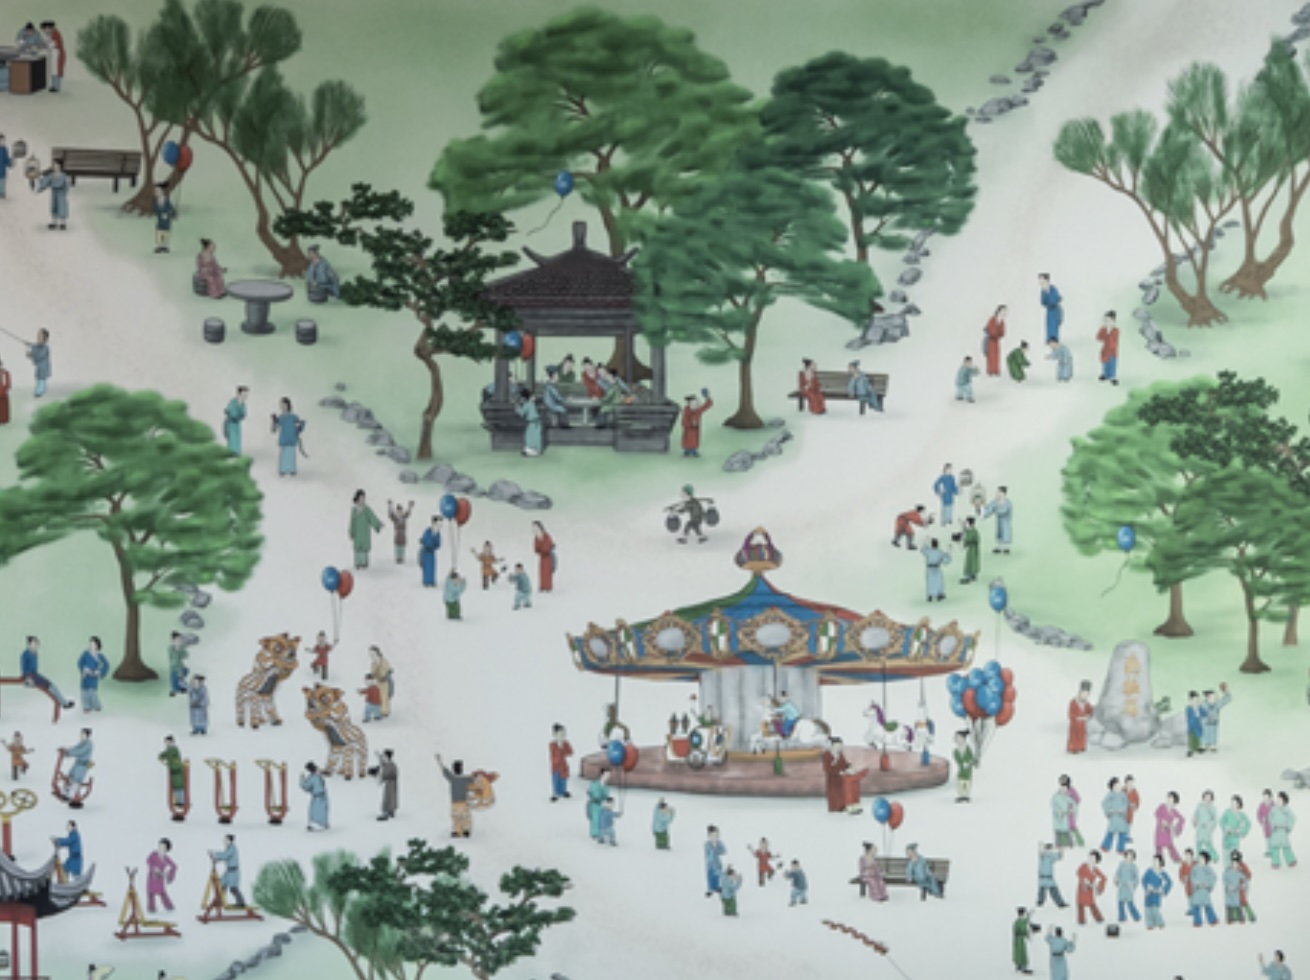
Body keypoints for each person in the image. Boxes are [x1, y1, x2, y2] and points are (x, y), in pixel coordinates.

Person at [20, 636, 74, 709]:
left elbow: (34, 669)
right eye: (33, 644)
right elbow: (24, 669)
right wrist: (28, 679)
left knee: (52, 686)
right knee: (50, 686)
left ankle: (63, 702)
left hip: (35, 675)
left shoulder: (35, 654)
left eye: (36, 644)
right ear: (29, 645)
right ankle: (64, 703)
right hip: (30, 676)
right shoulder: (25, 654)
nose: (35, 646)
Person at [821, 738, 866, 815]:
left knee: (843, 792)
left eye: (840, 746)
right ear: (832, 746)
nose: (839, 748)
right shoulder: (827, 755)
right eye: (838, 746)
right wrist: (839, 771)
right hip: (833, 779)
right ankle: (835, 808)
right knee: (835, 794)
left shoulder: (840, 754)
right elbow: (827, 768)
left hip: (841, 778)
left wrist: (850, 767)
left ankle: (844, 806)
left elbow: (844, 764)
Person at [437, 754, 474, 837]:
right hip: (463, 802)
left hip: (454, 802)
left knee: (455, 817)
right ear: (462, 769)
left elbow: (445, 772)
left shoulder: (452, 778)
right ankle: (466, 830)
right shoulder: (465, 779)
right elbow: (474, 780)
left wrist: (440, 762)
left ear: (453, 769)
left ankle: (457, 831)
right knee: (465, 817)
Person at [349, 490, 384, 571]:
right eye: (361, 498)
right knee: (357, 548)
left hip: (364, 533)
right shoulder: (354, 510)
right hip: (357, 533)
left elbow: (372, 518)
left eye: (364, 498)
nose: (363, 500)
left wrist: (378, 524)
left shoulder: (367, 510)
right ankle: (358, 563)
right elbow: (352, 522)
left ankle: (364, 563)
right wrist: (351, 532)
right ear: (357, 499)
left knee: (364, 548)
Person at [208, 834, 245, 907]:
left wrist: (215, 854)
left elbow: (225, 855)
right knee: (221, 885)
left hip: (233, 872)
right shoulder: (228, 848)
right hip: (228, 871)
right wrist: (215, 857)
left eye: (226, 840)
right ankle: (220, 901)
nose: (224, 841)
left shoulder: (232, 848)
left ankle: (241, 902)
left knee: (233, 888)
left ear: (230, 840)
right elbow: (223, 856)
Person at [34, 160, 70, 230]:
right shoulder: (51, 175)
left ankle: (63, 223)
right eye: (55, 166)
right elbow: (45, 182)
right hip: (54, 192)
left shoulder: (63, 176)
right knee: (54, 206)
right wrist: (39, 182)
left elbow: (66, 185)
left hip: (61, 192)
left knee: (62, 206)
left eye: (57, 166)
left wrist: (65, 192)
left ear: (60, 167)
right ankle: (54, 222)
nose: (56, 167)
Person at [271, 398, 304, 476]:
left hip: (292, 438)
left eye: (284, 405)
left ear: (288, 406)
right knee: (283, 455)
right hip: (284, 438)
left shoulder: (294, 417)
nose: (283, 407)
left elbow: (299, 425)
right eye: (281, 405)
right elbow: (274, 429)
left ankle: (292, 470)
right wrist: (274, 421)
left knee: (291, 455)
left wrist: (300, 426)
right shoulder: (280, 417)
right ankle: (283, 470)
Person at [77, 637, 110, 714]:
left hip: (93, 676)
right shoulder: (85, 654)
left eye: (93, 645)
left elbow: (106, 664)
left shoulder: (99, 656)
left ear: (97, 646)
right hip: (85, 676)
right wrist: (84, 669)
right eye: (90, 644)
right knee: (84, 692)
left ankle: (96, 705)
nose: (91, 646)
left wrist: (99, 672)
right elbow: (80, 662)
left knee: (92, 692)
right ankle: (86, 706)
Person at [979, 486, 1014, 554]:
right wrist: (982, 510)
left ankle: (1006, 547)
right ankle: (999, 547)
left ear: (1003, 493)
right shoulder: (995, 502)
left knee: (1005, 532)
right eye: (997, 492)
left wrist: (997, 511)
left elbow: (1006, 511)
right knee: (999, 533)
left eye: (999, 492)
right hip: (999, 521)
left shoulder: (1008, 502)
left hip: (1005, 521)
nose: (997, 493)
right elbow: (989, 508)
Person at [1187, 851, 1218, 926]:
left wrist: (1206, 884)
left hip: (1204, 890)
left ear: (1206, 860)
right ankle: (1197, 921)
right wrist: (1195, 883)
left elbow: (1213, 877)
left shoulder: (1208, 869)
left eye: (1202, 858)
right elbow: (1192, 877)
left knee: (1207, 905)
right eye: (1200, 858)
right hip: (1197, 890)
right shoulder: (1195, 868)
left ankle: (1212, 920)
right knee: (1196, 906)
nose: (1200, 859)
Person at [158, 736, 186, 818]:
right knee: (176, 787)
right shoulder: (170, 750)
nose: (167, 744)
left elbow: (169, 755)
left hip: (176, 771)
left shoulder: (173, 750)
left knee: (178, 786)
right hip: (174, 770)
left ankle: (181, 801)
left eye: (168, 742)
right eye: (166, 742)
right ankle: (178, 801)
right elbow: (167, 755)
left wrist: (162, 756)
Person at [1102, 777, 1131, 854]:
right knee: (1110, 832)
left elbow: (1126, 803)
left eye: (1119, 785)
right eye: (1116, 786)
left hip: (1121, 817)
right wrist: (1110, 810)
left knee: (1122, 833)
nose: (1118, 787)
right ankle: (1105, 846)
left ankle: (1120, 848)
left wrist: (1123, 810)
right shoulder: (1109, 795)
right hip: (1114, 817)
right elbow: (1104, 804)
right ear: (1112, 787)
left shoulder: (1123, 795)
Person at [1075, 850, 1105, 924]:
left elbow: (1103, 878)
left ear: (1096, 860)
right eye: (1089, 857)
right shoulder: (1083, 866)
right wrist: (1084, 880)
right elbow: (1078, 873)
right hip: (1081, 888)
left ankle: (1099, 918)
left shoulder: (1095, 869)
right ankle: (1081, 920)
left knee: (1092, 904)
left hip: (1090, 889)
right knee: (1080, 905)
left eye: (1093, 858)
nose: (1090, 859)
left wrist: (1098, 887)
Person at [146, 839, 177, 912]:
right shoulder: (153, 854)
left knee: (162, 893)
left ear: (166, 849)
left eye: (163, 847)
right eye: (160, 846)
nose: (161, 848)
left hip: (160, 878)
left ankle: (169, 906)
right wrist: (154, 868)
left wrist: (170, 876)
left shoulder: (166, 858)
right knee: (150, 893)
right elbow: (149, 861)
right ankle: (151, 908)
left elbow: (174, 866)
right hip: (152, 877)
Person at [1142, 854, 1172, 929]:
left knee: (1155, 909)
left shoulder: (1162, 873)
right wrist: (1147, 887)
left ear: (1160, 862)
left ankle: (1160, 922)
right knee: (1148, 909)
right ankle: (1149, 924)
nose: (1154, 863)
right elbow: (1144, 880)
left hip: (1156, 893)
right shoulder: (1149, 871)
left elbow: (1169, 882)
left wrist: (1163, 890)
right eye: (1153, 861)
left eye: (1156, 861)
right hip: (1149, 893)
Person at [680, 389, 713, 457]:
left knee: (694, 440)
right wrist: (690, 424)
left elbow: (708, 405)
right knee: (688, 439)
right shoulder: (686, 410)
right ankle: (687, 450)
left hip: (695, 431)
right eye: (693, 403)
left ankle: (693, 450)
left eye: (696, 403)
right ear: (689, 404)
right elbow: (684, 421)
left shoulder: (698, 410)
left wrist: (707, 397)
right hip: (688, 430)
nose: (695, 405)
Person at [1155, 792, 1186, 863]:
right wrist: (1162, 821)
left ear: (1174, 802)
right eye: (1168, 798)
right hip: (1160, 830)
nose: (1169, 800)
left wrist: (1176, 828)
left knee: (1170, 846)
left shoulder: (1174, 811)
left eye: (1171, 799)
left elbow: (1181, 819)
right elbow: (1157, 814)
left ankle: (1177, 859)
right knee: (1158, 846)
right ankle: (1158, 860)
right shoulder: (1162, 807)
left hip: (1167, 831)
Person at [1268, 791, 1297, 869]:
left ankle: (1291, 860)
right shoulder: (1273, 809)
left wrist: (1288, 827)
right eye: (1277, 799)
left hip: (1283, 831)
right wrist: (1273, 825)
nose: (1278, 801)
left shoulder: (1287, 810)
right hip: (1276, 831)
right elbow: (1270, 817)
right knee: (1275, 847)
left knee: (1286, 846)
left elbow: (1292, 818)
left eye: (1280, 800)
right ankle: (1275, 862)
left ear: (1284, 801)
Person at [1200, 684, 1232, 752]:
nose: (1216, 698)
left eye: (1216, 697)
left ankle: (1212, 745)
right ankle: (1203, 745)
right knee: (1204, 732)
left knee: (1213, 733)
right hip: (1204, 724)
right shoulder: (1203, 705)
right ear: (1208, 697)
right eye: (1214, 697)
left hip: (1213, 724)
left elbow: (1227, 699)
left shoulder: (1217, 705)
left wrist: (1225, 691)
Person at [1037, 842, 1068, 907]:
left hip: (1049, 877)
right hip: (1043, 877)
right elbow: (1040, 852)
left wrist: (1061, 849)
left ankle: (1060, 903)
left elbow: (1060, 856)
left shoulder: (1051, 856)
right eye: (1048, 849)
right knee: (1042, 891)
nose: (1049, 850)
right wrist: (1041, 846)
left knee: (1054, 891)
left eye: (1050, 849)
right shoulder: (1043, 855)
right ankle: (1040, 902)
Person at [300, 761, 329, 831]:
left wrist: (302, 780)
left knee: (315, 811)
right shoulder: (319, 775)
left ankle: (315, 825)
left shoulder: (312, 777)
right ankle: (324, 824)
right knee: (322, 811)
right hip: (323, 795)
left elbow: (306, 786)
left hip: (317, 796)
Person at [1223, 851, 1251, 923]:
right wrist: (1228, 886)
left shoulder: (1242, 867)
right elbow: (1225, 878)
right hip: (1230, 890)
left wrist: (1243, 884)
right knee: (1230, 903)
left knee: (1241, 903)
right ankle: (1231, 917)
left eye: (1236, 858)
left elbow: (1247, 876)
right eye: (1233, 858)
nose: (1235, 861)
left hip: (1240, 889)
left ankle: (1248, 916)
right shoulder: (1228, 869)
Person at [515, 386, 543, 457]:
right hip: (535, 422)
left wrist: (517, 408)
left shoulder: (528, 404)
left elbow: (522, 413)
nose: (534, 397)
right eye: (533, 396)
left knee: (530, 436)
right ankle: (534, 450)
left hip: (533, 422)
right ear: (529, 397)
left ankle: (533, 450)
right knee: (533, 436)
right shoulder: (530, 404)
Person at [1114, 849, 1141, 923]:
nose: (1129, 857)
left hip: (1129, 888)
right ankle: (1122, 917)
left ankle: (1137, 917)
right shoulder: (1121, 864)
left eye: (1131, 855)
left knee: (1130, 903)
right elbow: (1118, 873)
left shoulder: (1134, 867)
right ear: (1125, 855)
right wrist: (1116, 879)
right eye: (1128, 855)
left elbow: (1136, 878)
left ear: (1133, 857)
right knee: (1120, 903)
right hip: (1121, 887)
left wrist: (1132, 884)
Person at [1221, 795, 1251, 859]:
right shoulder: (1227, 812)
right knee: (1226, 857)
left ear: (1238, 804)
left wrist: (1240, 831)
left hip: (1235, 839)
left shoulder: (1241, 815)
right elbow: (1221, 821)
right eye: (1231, 803)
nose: (1232, 805)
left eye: (1234, 803)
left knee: (1234, 858)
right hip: (1226, 839)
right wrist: (1226, 828)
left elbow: (1248, 824)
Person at [1066, 681, 1093, 753]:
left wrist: (1088, 716)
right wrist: (1079, 718)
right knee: (1074, 737)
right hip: (1075, 725)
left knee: (1082, 736)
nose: (1085, 695)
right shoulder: (1074, 702)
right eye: (1084, 693)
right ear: (1080, 692)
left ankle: (1081, 747)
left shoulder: (1087, 704)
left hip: (1082, 726)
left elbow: (1090, 712)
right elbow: (1070, 715)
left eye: (1087, 694)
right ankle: (1073, 748)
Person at [921, 538, 951, 602]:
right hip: (936, 568)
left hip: (929, 569)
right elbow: (946, 561)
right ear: (937, 544)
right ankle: (938, 595)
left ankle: (930, 595)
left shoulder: (928, 551)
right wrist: (948, 553)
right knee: (938, 582)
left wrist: (925, 543)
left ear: (932, 544)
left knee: (931, 582)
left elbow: (923, 550)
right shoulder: (940, 552)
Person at [549, 724, 573, 802]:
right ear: (555, 735)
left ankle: (563, 791)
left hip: (563, 766)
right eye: (560, 735)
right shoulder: (552, 745)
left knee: (563, 779)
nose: (562, 737)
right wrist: (560, 748)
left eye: (563, 734)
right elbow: (556, 756)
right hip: (556, 766)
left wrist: (564, 747)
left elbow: (570, 752)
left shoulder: (565, 743)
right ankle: (556, 793)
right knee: (556, 780)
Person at [25, 329, 52, 398]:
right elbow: (35, 347)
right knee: (39, 378)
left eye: (40, 336)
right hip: (40, 367)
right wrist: (29, 345)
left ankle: (40, 390)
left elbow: (39, 355)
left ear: (45, 339)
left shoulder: (45, 348)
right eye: (38, 336)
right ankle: (40, 389)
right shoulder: (38, 346)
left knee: (41, 379)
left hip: (43, 367)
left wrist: (31, 354)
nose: (38, 338)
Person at [386, 500, 414, 565]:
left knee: (402, 547)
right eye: (398, 511)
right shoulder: (395, 519)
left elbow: (408, 513)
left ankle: (401, 558)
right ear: (396, 512)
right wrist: (389, 505)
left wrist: (410, 506)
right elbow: (390, 515)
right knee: (397, 547)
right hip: (397, 536)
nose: (399, 513)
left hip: (403, 536)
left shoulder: (404, 517)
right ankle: (398, 558)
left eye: (400, 511)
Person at [367, 647, 393, 718]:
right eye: (370, 655)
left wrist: (379, 677)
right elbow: (373, 672)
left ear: (377, 653)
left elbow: (384, 672)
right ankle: (378, 711)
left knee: (384, 696)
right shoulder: (373, 663)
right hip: (377, 682)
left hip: (384, 682)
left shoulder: (384, 661)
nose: (371, 656)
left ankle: (385, 711)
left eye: (373, 654)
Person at [373, 749, 398, 821]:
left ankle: (390, 810)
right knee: (387, 797)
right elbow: (382, 762)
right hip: (387, 783)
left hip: (391, 784)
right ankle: (388, 810)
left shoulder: (392, 765)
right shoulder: (386, 764)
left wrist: (385, 778)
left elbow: (393, 775)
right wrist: (378, 756)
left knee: (390, 797)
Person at [223, 387, 248, 456]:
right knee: (232, 440)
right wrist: (237, 414)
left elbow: (243, 415)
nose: (244, 397)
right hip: (231, 424)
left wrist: (239, 414)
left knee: (237, 440)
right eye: (243, 395)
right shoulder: (232, 402)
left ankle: (237, 454)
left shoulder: (243, 404)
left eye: (246, 395)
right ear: (238, 394)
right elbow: (231, 413)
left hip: (237, 424)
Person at [40, 22, 65, 93]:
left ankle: (56, 87)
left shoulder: (55, 33)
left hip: (57, 54)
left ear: (48, 28)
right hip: (53, 53)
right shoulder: (50, 34)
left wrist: (44, 46)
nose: (44, 31)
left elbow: (54, 44)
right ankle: (54, 85)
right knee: (53, 70)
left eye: (44, 29)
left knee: (56, 70)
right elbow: (47, 42)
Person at [1096, 311, 1120, 384]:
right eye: (1105, 320)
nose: (1106, 322)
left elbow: (1112, 341)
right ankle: (1105, 374)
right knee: (1105, 363)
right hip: (1105, 350)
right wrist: (1102, 330)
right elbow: (1099, 338)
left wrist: (1108, 332)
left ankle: (1112, 377)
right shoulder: (1103, 329)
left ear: (1113, 321)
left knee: (1112, 364)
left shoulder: (1116, 330)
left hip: (1112, 351)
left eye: (1108, 320)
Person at [586, 769, 611, 840]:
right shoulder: (595, 784)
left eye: (608, 775)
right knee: (595, 819)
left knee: (603, 819)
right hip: (595, 804)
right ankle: (595, 833)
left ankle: (602, 832)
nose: (607, 777)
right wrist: (600, 798)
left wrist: (607, 801)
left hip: (602, 805)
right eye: (606, 775)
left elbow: (606, 795)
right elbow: (594, 794)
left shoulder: (606, 786)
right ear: (601, 775)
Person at [152, 184, 177, 253]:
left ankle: (164, 246)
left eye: (158, 191)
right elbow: (155, 210)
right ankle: (160, 245)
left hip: (166, 222)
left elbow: (172, 211)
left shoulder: (167, 202)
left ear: (162, 192)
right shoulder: (155, 202)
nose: (156, 193)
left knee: (165, 233)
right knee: (159, 233)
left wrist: (167, 215)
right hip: (160, 221)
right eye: (156, 191)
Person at [1195, 790, 1219, 861]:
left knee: (1208, 844)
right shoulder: (1199, 806)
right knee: (1198, 844)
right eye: (1206, 797)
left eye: (1209, 797)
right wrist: (1194, 821)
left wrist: (1209, 825)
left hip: (1207, 829)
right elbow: (1195, 815)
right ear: (1203, 797)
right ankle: (1198, 858)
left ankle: (1215, 857)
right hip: (1200, 828)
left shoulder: (1212, 808)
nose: (1207, 799)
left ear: (1211, 799)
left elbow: (1215, 819)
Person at [419, 516, 442, 588]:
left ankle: (432, 581)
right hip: (426, 552)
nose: (439, 526)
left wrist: (435, 545)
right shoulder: (428, 531)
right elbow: (425, 540)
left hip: (432, 552)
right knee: (427, 567)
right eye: (437, 524)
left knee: (432, 566)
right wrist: (427, 543)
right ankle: (426, 581)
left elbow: (438, 544)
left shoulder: (437, 533)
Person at [1039, 274, 1063, 343]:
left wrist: (1052, 301)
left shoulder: (1053, 289)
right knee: (1049, 324)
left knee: (1054, 324)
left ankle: (1054, 338)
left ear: (1047, 281)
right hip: (1049, 310)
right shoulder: (1043, 291)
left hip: (1055, 310)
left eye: (1043, 281)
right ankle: (1049, 338)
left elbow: (1056, 298)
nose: (1041, 283)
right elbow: (1043, 302)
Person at [533, 521, 555, 593]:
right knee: (542, 572)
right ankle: (542, 586)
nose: (534, 529)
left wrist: (543, 550)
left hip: (548, 557)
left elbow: (548, 546)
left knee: (547, 572)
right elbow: (536, 548)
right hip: (542, 557)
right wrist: (540, 550)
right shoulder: (536, 538)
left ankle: (548, 587)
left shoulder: (546, 536)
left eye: (536, 527)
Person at [952, 730, 974, 802]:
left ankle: (966, 795)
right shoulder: (956, 751)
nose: (956, 740)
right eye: (956, 738)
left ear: (963, 739)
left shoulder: (968, 749)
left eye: (958, 738)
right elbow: (957, 759)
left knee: (967, 782)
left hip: (967, 770)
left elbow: (971, 757)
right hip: (961, 770)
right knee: (960, 782)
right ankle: (961, 795)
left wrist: (968, 763)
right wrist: (961, 763)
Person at [704, 825, 727, 896]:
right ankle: (710, 889)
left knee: (717, 876)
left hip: (717, 863)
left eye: (716, 835)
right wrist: (714, 848)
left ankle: (717, 887)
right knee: (711, 877)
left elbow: (723, 851)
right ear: (709, 836)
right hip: (710, 865)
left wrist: (718, 846)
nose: (715, 837)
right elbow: (710, 854)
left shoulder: (719, 843)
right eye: (712, 835)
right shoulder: (707, 844)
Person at [959, 517, 981, 584]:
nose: (966, 524)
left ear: (971, 524)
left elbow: (976, 540)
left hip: (973, 549)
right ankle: (971, 575)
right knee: (969, 561)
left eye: (967, 523)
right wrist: (962, 523)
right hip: (969, 549)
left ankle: (970, 576)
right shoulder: (968, 530)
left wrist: (967, 543)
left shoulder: (974, 531)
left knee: (971, 562)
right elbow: (964, 529)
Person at [1013, 907, 1034, 975]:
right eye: (1022, 913)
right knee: (1020, 953)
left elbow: (1027, 920)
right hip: (1019, 940)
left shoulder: (1022, 921)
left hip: (1022, 939)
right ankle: (1021, 966)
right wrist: (1024, 933)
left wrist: (1029, 914)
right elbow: (1016, 931)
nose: (1022, 914)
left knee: (1022, 952)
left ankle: (1020, 965)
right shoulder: (1017, 922)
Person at [1185, 691, 1204, 757]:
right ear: (1190, 700)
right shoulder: (1189, 708)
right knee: (1192, 738)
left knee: (1197, 738)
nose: (1196, 702)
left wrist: (1200, 713)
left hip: (1197, 726)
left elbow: (1203, 713)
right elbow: (1189, 716)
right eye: (1195, 700)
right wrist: (1196, 714)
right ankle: (1190, 750)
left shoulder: (1199, 708)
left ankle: (1197, 748)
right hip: (1192, 727)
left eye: (1197, 700)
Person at [0, 134, 11, 200]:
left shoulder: (4, 149)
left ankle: (2, 194)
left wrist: (10, 163)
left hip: (2, 172)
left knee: (2, 182)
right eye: (1, 140)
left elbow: (6, 159)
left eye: (3, 140)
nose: (2, 142)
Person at [0, 355, 10, 426]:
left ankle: (3, 420)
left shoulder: (5, 373)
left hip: (3, 393)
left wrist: (3, 390)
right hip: (2, 392)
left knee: (3, 408)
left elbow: (8, 384)